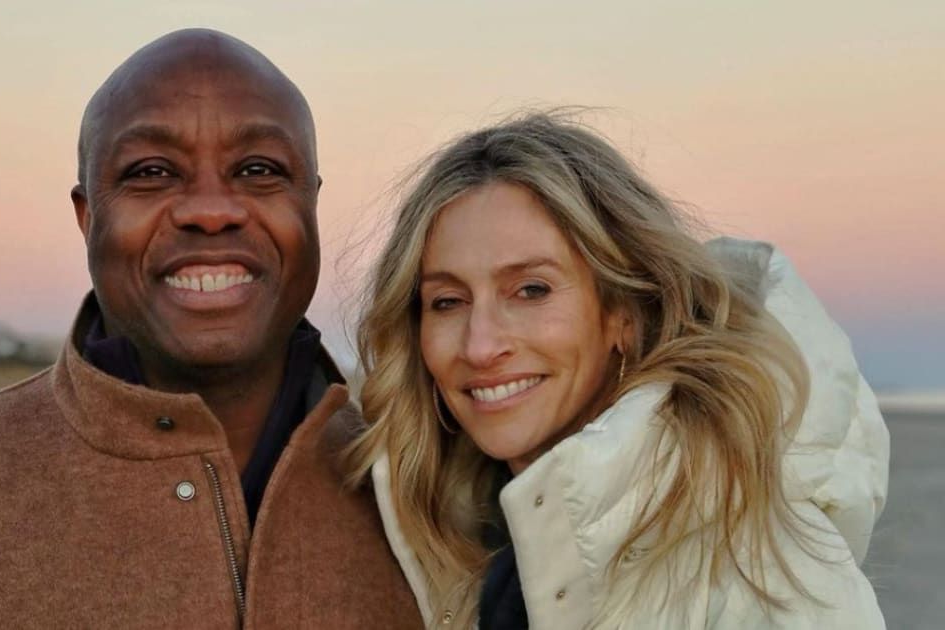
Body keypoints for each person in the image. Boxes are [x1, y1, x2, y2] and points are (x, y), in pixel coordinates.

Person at [0, 29, 421, 629]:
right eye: (151, 172)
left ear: (311, 203)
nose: (210, 210)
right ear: (87, 218)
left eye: (259, 170)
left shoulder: (432, 504)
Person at [346, 111, 888, 629]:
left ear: (624, 313)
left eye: (531, 290)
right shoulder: (445, 544)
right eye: (447, 301)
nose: (481, 345)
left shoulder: (763, 570)